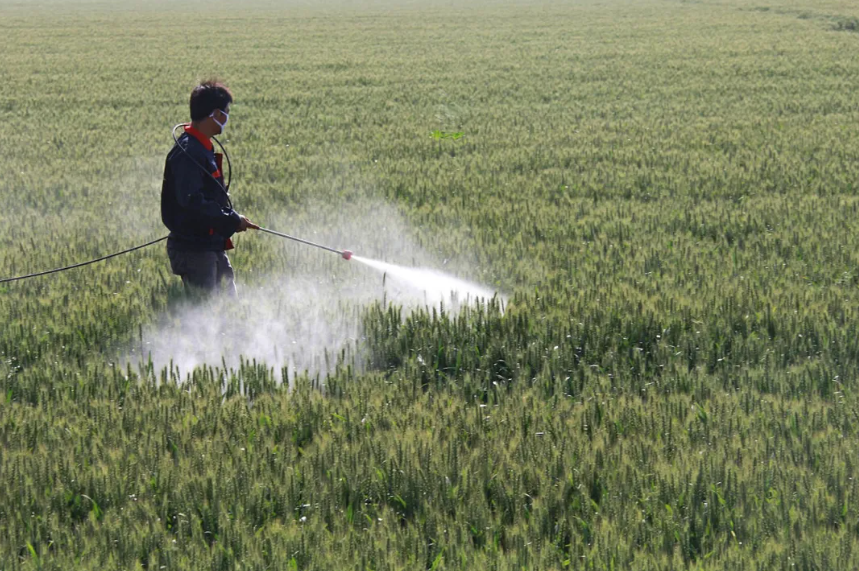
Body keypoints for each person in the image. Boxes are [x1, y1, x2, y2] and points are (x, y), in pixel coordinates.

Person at [161, 80, 257, 296]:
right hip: (194, 250)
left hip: (210, 244)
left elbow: (206, 200)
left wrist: (231, 217)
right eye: (226, 112)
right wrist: (232, 219)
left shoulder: (202, 147)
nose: (227, 118)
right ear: (215, 114)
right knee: (206, 312)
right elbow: (193, 202)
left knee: (227, 307)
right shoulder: (188, 153)